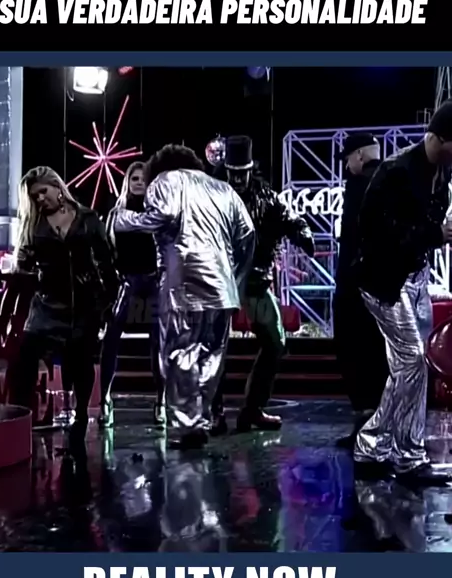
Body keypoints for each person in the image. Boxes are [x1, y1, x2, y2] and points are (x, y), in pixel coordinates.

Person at [112, 143, 255, 449]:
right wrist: (236, 277)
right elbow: (248, 233)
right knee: (210, 355)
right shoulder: (223, 189)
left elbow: (161, 215)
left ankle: (190, 426)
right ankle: (199, 420)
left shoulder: (166, 180)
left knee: (177, 354)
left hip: (183, 283)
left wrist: (123, 220)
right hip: (222, 288)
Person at [354, 102, 452, 484]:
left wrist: (434, 233)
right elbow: (379, 234)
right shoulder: (397, 172)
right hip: (383, 280)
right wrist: (435, 233)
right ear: (440, 137)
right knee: (411, 361)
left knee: (409, 366)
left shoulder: (441, 171)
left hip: (413, 275)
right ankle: (379, 446)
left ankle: (396, 453)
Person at [2, 167, 118, 441]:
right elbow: (23, 267)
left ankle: (80, 414)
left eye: (43, 192)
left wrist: (106, 301)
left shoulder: (87, 218)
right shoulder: (33, 224)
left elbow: (106, 261)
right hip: (47, 304)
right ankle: (19, 420)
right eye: (35, 196)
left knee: (81, 362)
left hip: (84, 304)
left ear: (57, 187)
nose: (40, 199)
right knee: (24, 357)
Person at [213, 135, 315, 434]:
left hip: (255, 281)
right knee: (214, 348)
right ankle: (214, 411)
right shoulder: (212, 197)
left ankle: (253, 409)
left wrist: (303, 233)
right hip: (220, 281)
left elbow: (291, 217)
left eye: (242, 173)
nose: (237, 179)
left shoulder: (266, 197)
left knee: (275, 343)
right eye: (232, 173)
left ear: (250, 170)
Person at [333, 133, 389, 448]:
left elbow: (357, 237)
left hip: (357, 287)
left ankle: (367, 431)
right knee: (375, 356)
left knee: (357, 354)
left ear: (358, 156)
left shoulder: (360, 185)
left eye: (346, 160)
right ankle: (374, 429)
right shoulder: (389, 179)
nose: (345, 167)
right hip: (379, 286)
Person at [100, 161, 162, 428]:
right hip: (125, 281)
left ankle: (161, 402)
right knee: (111, 337)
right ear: (128, 181)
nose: (139, 183)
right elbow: (106, 250)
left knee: (158, 341)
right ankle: (105, 399)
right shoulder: (116, 214)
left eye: (143, 179)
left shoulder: (158, 213)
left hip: (152, 281)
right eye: (135, 178)